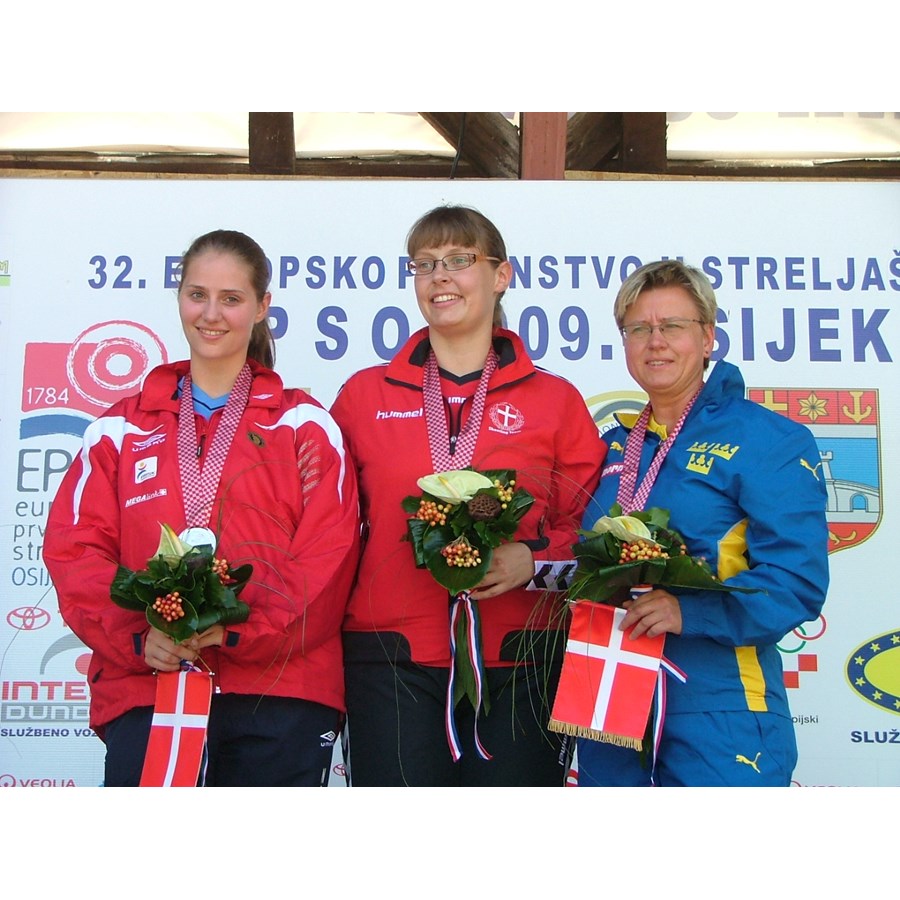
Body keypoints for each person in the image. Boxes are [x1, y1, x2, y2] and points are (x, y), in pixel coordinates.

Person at [43, 229, 359, 786]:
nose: (211, 314)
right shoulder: (121, 427)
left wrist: (237, 632)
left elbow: (327, 558)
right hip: (150, 682)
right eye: (197, 295)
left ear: (261, 307)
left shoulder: (303, 426)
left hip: (278, 690)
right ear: (179, 298)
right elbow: (76, 550)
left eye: (231, 298)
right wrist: (140, 638)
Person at [330, 204, 603, 786]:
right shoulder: (362, 397)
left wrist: (534, 560)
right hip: (391, 657)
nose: (440, 277)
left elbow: (593, 533)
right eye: (424, 264)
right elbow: (332, 529)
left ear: (501, 275)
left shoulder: (555, 401)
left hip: (522, 655)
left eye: (459, 260)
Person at [576, 259, 829, 787]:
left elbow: (796, 582)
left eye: (672, 325)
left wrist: (688, 611)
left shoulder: (768, 439)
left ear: (709, 336)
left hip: (718, 702)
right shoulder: (613, 447)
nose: (655, 342)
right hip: (607, 694)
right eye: (638, 329)